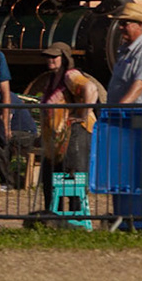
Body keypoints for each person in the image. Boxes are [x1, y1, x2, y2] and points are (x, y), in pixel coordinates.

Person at [35, 41, 100, 178]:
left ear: (64, 58)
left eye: (54, 56)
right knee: (55, 181)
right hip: (59, 140)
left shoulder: (70, 75)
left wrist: (83, 114)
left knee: (72, 181)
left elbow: (91, 88)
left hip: (75, 136)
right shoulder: (52, 78)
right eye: (48, 57)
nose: (50, 60)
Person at [106, 4, 142, 105]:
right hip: (122, 112)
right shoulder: (124, 51)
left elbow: (140, 83)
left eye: (124, 24)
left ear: (139, 25)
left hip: (137, 114)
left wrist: (121, 106)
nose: (120, 27)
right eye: (120, 23)